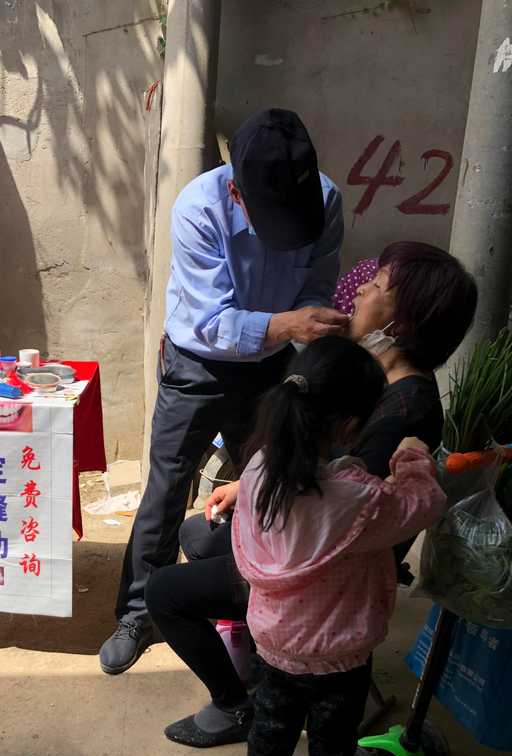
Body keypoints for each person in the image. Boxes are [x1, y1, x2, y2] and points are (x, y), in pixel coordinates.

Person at [146, 241, 478, 747]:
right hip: (317, 540)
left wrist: (259, 485)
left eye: (379, 285)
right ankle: (259, 657)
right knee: (200, 530)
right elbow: (323, 471)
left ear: (403, 324)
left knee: (164, 591)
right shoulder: (375, 378)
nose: (362, 287)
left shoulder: (404, 411)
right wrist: (247, 483)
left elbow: (336, 507)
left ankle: (236, 705)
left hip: (321, 573)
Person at [99, 108, 348, 675]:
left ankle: (260, 601)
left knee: (269, 483)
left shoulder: (326, 200)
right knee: (166, 487)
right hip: (198, 360)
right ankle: (138, 612)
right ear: (237, 190)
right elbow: (213, 321)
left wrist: (309, 342)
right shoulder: (198, 208)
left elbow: (317, 285)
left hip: (275, 362)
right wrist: (289, 324)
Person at [229, 338, 446, 756]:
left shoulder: (258, 471)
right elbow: (422, 504)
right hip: (340, 658)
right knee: (332, 743)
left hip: (277, 644)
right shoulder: (359, 502)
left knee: (271, 733)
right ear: (351, 428)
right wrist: (413, 458)